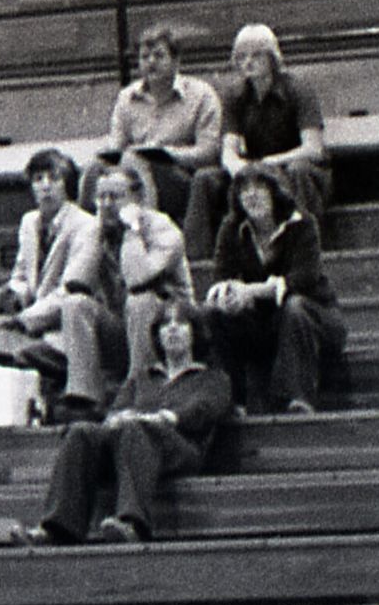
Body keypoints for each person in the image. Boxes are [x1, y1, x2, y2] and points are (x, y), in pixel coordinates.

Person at [25, 306, 237, 542]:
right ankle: (58, 529)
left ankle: (132, 523)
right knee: (81, 432)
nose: (172, 329)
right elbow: (116, 411)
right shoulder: (142, 378)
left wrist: (165, 417)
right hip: (129, 444)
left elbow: (206, 409)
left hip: (180, 448)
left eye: (181, 323)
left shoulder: (212, 378)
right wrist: (118, 418)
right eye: (165, 324)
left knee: (135, 428)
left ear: (195, 333)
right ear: (158, 335)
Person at [202, 165, 349, 415]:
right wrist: (229, 297)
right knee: (213, 314)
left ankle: (297, 398)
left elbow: (303, 278)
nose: (251, 195)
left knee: (295, 306)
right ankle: (233, 401)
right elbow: (221, 275)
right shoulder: (231, 227)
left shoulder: (302, 223)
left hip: (315, 318)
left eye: (259, 188)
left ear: (274, 191)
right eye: (244, 190)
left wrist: (252, 292)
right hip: (266, 325)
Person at [188, 22, 332, 257]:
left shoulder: (299, 88)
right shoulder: (234, 95)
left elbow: (313, 148)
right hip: (257, 169)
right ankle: (197, 259)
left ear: (272, 58)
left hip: (297, 167)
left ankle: (302, 249)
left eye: (256, 55)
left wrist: (271, 162)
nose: (248, 62)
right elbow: (228, 149)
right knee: (205, 179)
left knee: (298, 171)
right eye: (242, 57)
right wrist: (239, 168)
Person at [0, 151, 106, 412]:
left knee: (14, 346)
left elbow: (71, 288)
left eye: (54, 178)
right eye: (38, 179)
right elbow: (22, 275)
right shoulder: (29, 222)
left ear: (67, 184)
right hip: (35, 321)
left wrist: (22, 321)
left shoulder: (87, 226)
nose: (45, 186)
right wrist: (13, 291)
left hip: (71, 328)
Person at [68, 158, 194, 405]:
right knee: (75, 304)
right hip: (122, 330)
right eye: (101, 197)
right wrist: (96, 234)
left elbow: (137, 280)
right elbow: (76, 282)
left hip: (169, 328)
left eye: (115, 197)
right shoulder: (95, 230)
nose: (106, 205)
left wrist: (133, 231)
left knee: (140, 301)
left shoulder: (162, 228)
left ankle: (140, 390)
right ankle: (84, 398)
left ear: (136, 200)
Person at [93, 24, 222, 222]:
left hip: (182, 179)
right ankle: (94, 230)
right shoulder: (127, 97)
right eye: (145, 57)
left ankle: (149, 225)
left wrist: (166, 154)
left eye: (159, 56)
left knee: (138, 160)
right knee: (94, 168)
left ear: (176, 61)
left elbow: (209, 151)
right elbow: (117, 146)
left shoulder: (201, 95)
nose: (151, 62)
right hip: (132, 173)